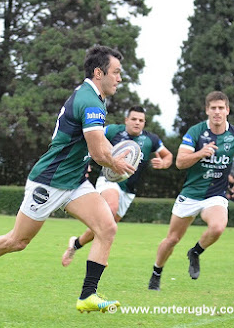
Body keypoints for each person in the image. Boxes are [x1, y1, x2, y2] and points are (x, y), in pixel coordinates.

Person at [0, 45, 136, 313]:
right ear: (99, 73)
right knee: (18, 241)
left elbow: (95, 146)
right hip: (49, 181)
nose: (120, 78)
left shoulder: (94, 98)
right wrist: (116, 163)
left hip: (74, 182)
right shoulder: (89, 101)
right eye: (116, 72)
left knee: (107, 228)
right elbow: (99, 152)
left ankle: (88, 296)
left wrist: (108, 158)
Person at [147, 91, 234, 291]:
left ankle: (195, 252)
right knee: (172, 239)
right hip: (190, 194)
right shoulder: (196, 132)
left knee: (218, 227)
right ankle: (156, 272)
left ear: (227, 110)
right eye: (213, 108)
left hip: (215, 195)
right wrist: (200, 153)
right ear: (207, 110)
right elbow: (179, 162)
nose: (217, 112)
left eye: (221, 108)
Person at [61, 106, 173, 267]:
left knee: (108, 225)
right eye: (134, 119)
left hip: (129, 191)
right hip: (109, 180)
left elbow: (168, 155)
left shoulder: (151, 139)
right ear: (126, 120)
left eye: (141, 120)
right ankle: (100, 255)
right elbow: (91, 137)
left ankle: (76, 244)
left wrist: (163, 163)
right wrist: (84, 161)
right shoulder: (113, 131)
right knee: (110, 209)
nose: (137, 123)